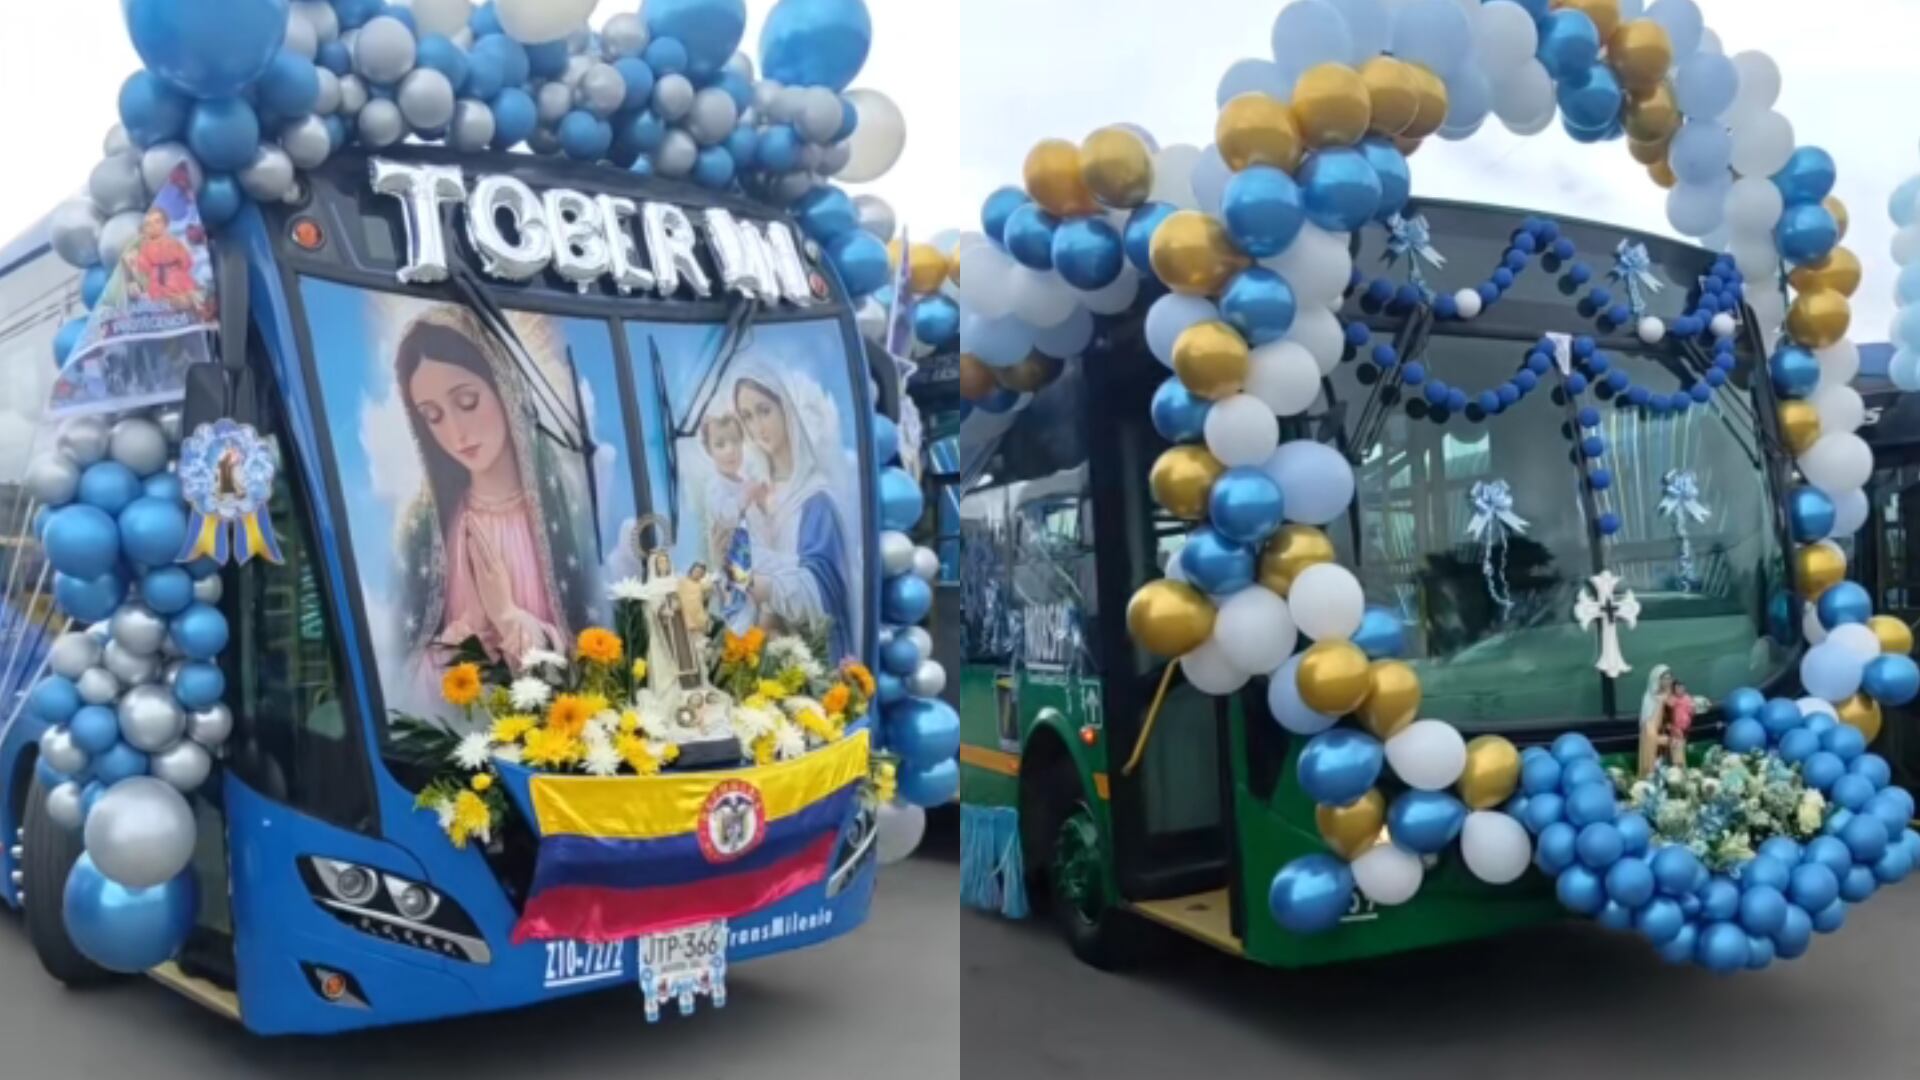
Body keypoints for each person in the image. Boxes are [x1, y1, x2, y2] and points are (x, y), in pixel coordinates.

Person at [391, 306, 600, 689]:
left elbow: (596, 663)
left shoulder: (569, 510)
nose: (456, 432)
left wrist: (508, 618)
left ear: (504, 388)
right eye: (433, 416)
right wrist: (461, 643)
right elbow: (401, 688)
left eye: (467, 402)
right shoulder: (431, 529)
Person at [729, 361, 860, 663]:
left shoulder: (816, 498)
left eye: (764, 410)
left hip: (815, 661)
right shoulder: (754, 491)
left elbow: (828, 591)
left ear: (786, 409)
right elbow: (736, 566)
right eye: (747, 417)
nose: (757, 427)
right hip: (763, 655)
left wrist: (765, 586)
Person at [1637, 665, 1674, 778]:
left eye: (1670, 678)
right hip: (1652, 736)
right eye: (1665, 678)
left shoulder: (1671, 696)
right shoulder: (1650, 698)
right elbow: (1651, 726)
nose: (1669, 681)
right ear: (1657, 680)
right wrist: (1660, 703)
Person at [1666, 679, 1696, 767]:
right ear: (1674, 689)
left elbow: (1691, 712)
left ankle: (1681, 765)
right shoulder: (1672, 699)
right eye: (1678, 688)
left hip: (1685, 728)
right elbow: (1668, 710)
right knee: (1675, 746)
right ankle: (1676, 765)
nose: (1680, 690)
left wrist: (1692, 708)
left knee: (1681, 746)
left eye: (1682, 687)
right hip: (1674, 728)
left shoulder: (1688, 698)